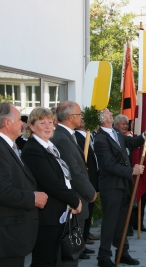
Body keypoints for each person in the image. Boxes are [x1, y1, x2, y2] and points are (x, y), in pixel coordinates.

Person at [21, 107, 82, 267]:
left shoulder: (49, 146)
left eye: (50, 122)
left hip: (58, 212)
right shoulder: (33, 149)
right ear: (32, 127)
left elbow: (64, 177)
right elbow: (52, 182)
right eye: (42, 123)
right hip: (46, 216)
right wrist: (74, 200)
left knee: (53, 258)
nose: (48, 126)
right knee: (44, 260)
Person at [94, 108, 146, 267]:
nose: (110, 113)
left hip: (123, 185)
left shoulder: (114, 132)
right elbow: (108, 165)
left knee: (123, 221)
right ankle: (103, 257)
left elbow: (132, 143)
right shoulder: (100, 138)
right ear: (101, 118)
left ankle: (123, 252)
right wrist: (131, 171)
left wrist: (144, 133)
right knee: (110, 222)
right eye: (107, 112)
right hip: (111, 186)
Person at [0, 102, 48, 267]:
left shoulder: (8, 146)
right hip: (7, 236)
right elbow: (3, 191)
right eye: (20, 120)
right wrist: (33, 198)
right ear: (7, 123)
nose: (23, 124)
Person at [51, 101, 97, 264]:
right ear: (70, 117)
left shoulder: (66, 135)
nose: (81, 117)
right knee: (70, 254)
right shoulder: (62, 139)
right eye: (79, 114)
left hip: (75, 200)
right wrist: (90, 192)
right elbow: (74, 172)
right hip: (73, 201)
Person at [75, 118, 100, 247]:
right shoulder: (77, 137)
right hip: (86, 177)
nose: (83, 121)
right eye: (82, 119)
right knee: (85, 209)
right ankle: (81, 241)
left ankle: (86, 235)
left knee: (89, 209)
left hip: (93, 176)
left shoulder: (89, 136)